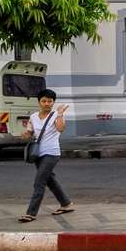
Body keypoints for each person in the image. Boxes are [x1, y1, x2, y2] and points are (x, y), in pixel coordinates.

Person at [18, 88, 74, 222]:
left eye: (50, 101)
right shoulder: (33, 117)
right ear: (39, 102)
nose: (47, 103)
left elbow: (60, 129)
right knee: (50, 180)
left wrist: (60, 114)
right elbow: (30, 133)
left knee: (39, 182)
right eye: (44, 101)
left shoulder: (56, 115)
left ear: (53, 102)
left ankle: (31, 213)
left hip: (52, 153)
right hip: (38, 154)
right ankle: (66, 204)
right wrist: (24, 135)